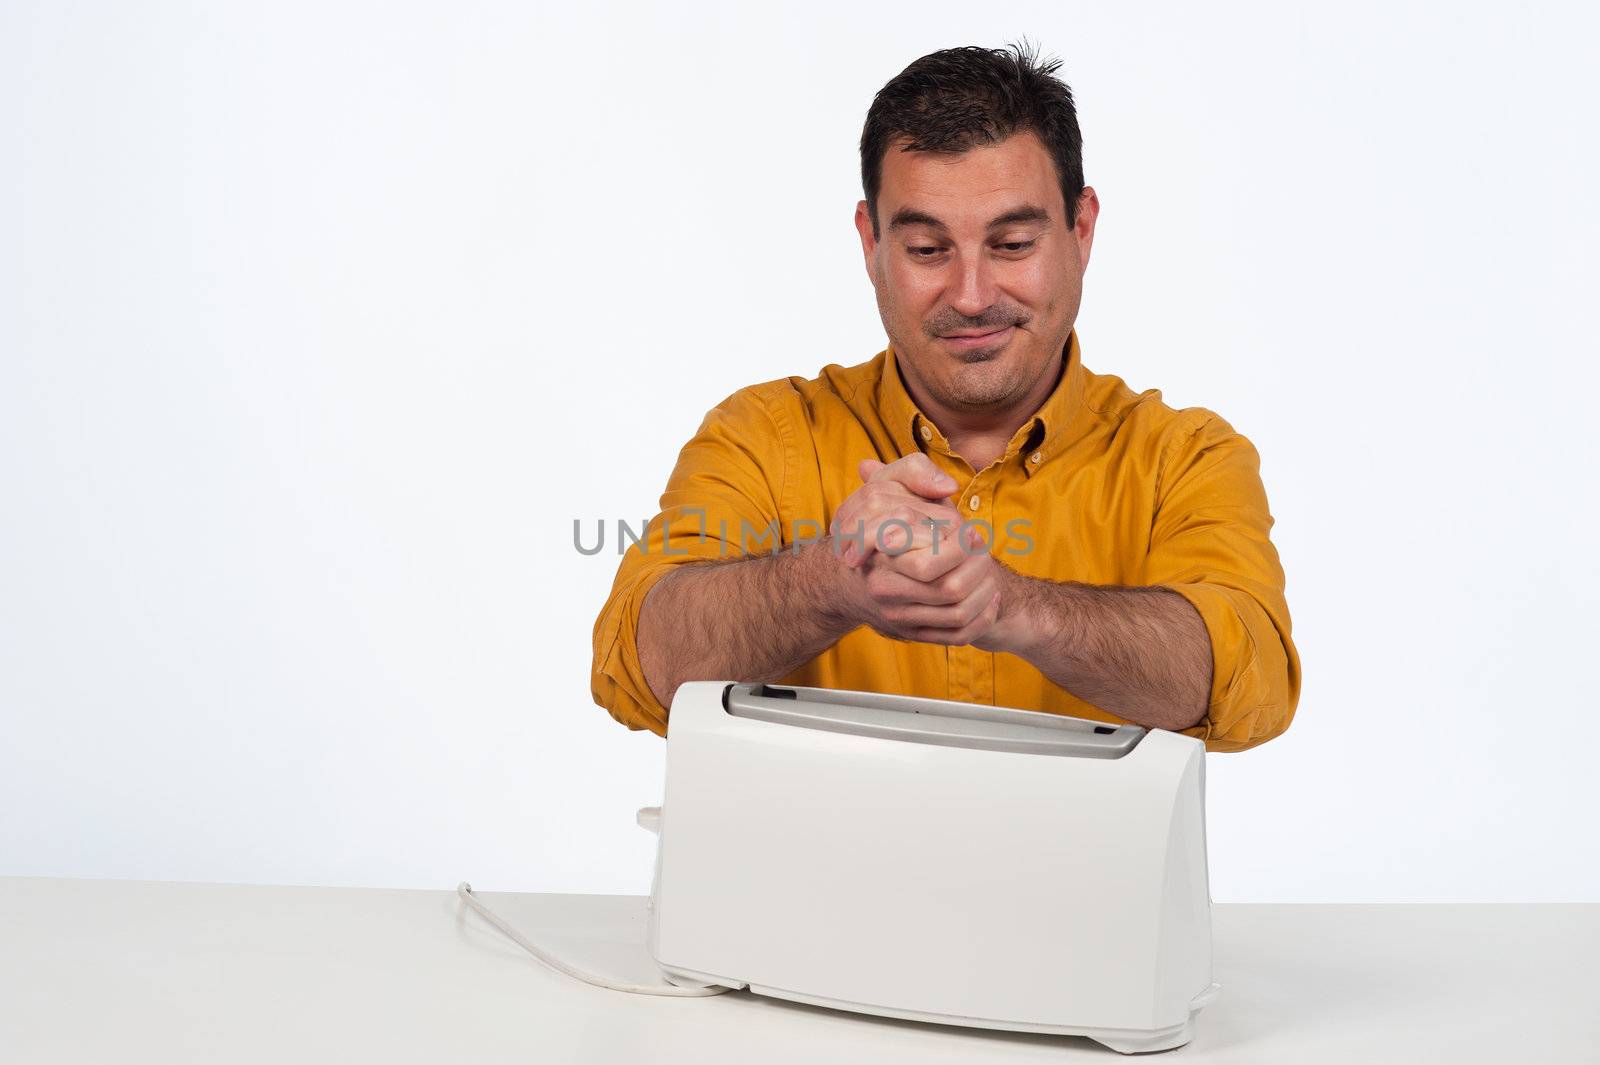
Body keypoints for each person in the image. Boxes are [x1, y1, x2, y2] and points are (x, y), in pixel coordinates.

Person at [589, 41, 1300, 752]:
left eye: (1013, 243)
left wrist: (1012, 607)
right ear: (871, 243)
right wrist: (829, 579)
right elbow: (638, 661)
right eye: (928, 250)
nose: (971, 295)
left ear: (1081, 231)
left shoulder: (1186, 459)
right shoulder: (762, 435)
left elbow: (1249, 679)